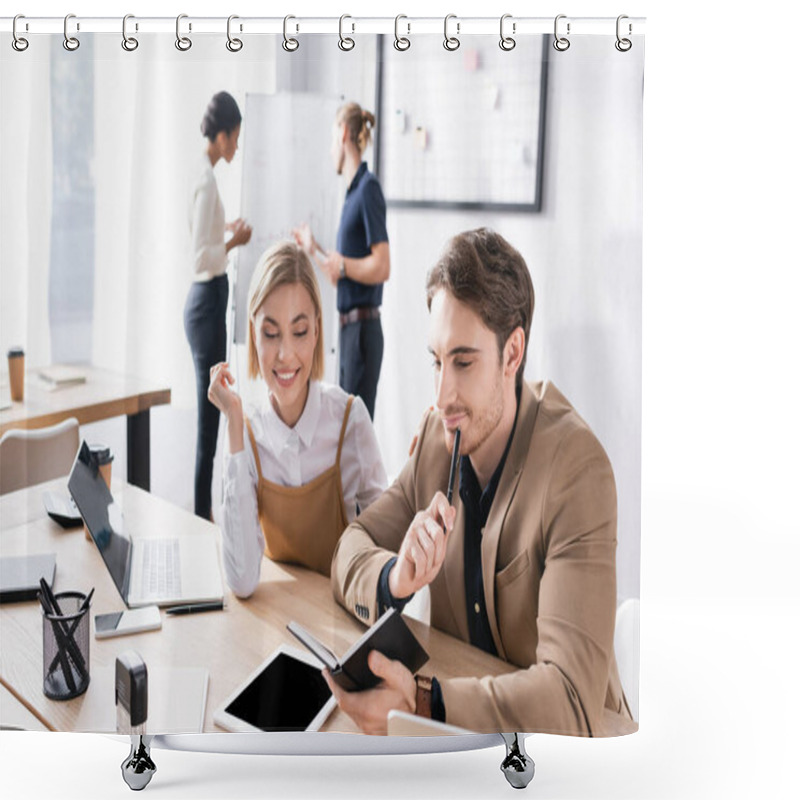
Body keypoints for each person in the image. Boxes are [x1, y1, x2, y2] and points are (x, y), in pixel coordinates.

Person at [325, 228, 636, 737]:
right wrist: (396, 578)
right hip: (468, 744)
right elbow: (349, 549)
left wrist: (424, 702)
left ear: (512, 354)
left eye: (464, 362)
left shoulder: (578, 470)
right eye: (437, 360)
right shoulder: (436, 436)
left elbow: (572, 700)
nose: (442, 394)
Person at [208, 240, 387, 598]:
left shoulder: (350, 421)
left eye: (300, 332)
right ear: (253, 334)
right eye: (270, 333)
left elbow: (382, 551)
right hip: (277, 624)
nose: (285, 354)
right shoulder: (243, 431)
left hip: (342, 620)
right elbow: (242, 581)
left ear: (317, 331)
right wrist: (234, 425)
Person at [293, 102, 390, 420]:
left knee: (353, 433)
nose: (331, 150)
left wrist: (343, 265)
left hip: (363, 332)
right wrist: (313, 248)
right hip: (350, 330)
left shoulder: (368, 190)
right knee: (345, 432)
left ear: (345, 133)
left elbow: (382, 265)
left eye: (334, 139)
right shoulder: (351, 196)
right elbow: (340, 271)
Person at [185, 91, 252, 521]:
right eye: (235, 138)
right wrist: (235, 241)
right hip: (206, 304)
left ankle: (201, 516)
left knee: (209, 419)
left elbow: (201, 228)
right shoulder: (207, 180)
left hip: (204, 306)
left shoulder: (201, 172)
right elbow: (200, 256)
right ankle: (200, 518)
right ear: (223, 133)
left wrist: (222, 228)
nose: (237, 146)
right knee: (210, 423)